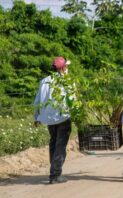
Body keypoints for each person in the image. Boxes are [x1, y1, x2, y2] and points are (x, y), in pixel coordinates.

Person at [34, 56, 72, 184]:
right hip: (63, 117)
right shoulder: (67, 81)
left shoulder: (44, 81)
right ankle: (55, 175)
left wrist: (36, 117)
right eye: (66, 66)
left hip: (48, 119)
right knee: (60, 145)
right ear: (63, 68)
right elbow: (73, 99)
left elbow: (37, 101)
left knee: (53, 143)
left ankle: (54, 170)